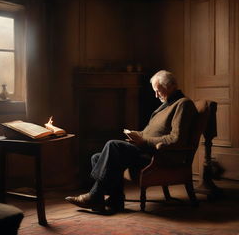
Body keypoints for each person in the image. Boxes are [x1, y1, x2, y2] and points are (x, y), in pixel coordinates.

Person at [65, 70, 197, 213]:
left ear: (171, 86)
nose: (156, 95)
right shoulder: (166, 105)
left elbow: (176, 139)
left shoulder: (183, 104)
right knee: (96, 157)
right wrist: (135, 135)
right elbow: (149, 133)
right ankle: (116, 200)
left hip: (160, 155)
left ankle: (95, 196)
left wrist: (144, 140)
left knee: (112, 145)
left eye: (158, 91)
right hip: (146, 149)